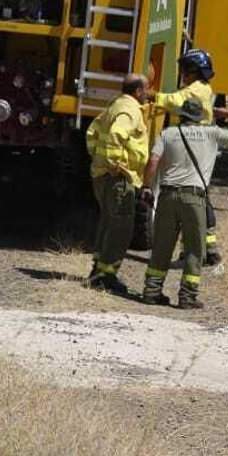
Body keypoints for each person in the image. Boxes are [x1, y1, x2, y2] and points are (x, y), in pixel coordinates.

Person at [141, 48, 228, 308]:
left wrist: (149, 94)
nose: (182, 74)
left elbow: (173, 100)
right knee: (196, 250)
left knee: (162, 245)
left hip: (169, 193)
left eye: (186, 70)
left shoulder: (170, 132)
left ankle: (151, 292)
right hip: (194, 191)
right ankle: (187, 298)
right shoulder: (210, 130)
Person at [84, 73, 150, 294]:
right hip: (118, 177)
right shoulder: (129, 110)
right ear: (138, 91)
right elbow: (115, 134)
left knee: (107, 222)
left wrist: (97, 157)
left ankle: (97, 271)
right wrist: (114, 164)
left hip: (102, 175)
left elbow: (92, 132)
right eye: (146, 89)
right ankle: (106, 276)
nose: (148, 93)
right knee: (120, 228)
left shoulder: (114, 105)